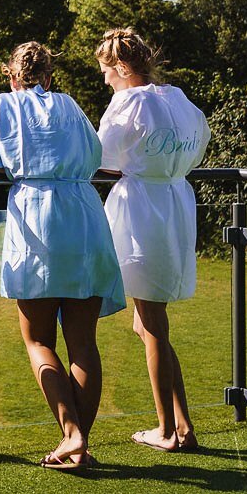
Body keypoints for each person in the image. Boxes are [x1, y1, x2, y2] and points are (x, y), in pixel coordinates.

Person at [0, 41, 125, 470]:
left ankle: (71, 435)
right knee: (83, 344)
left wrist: (22, 168)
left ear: (11, 75)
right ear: (50, 76)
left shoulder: (4, 105)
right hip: (84, 214)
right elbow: (95, 157)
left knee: (37, 338)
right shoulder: (71, 106)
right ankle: (79, 448)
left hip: (37, 218)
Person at [95, 27, 211, 453]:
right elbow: (199, 144)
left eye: (107, 71)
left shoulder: (127, 103)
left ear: (122, 68)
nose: (105, 80)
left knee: (152, 323)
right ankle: (182, 425)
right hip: (175, 201)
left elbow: (100, 157)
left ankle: (168, 430)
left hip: (143, 210)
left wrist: (133, 166)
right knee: (149, 324)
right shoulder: (176, 98)